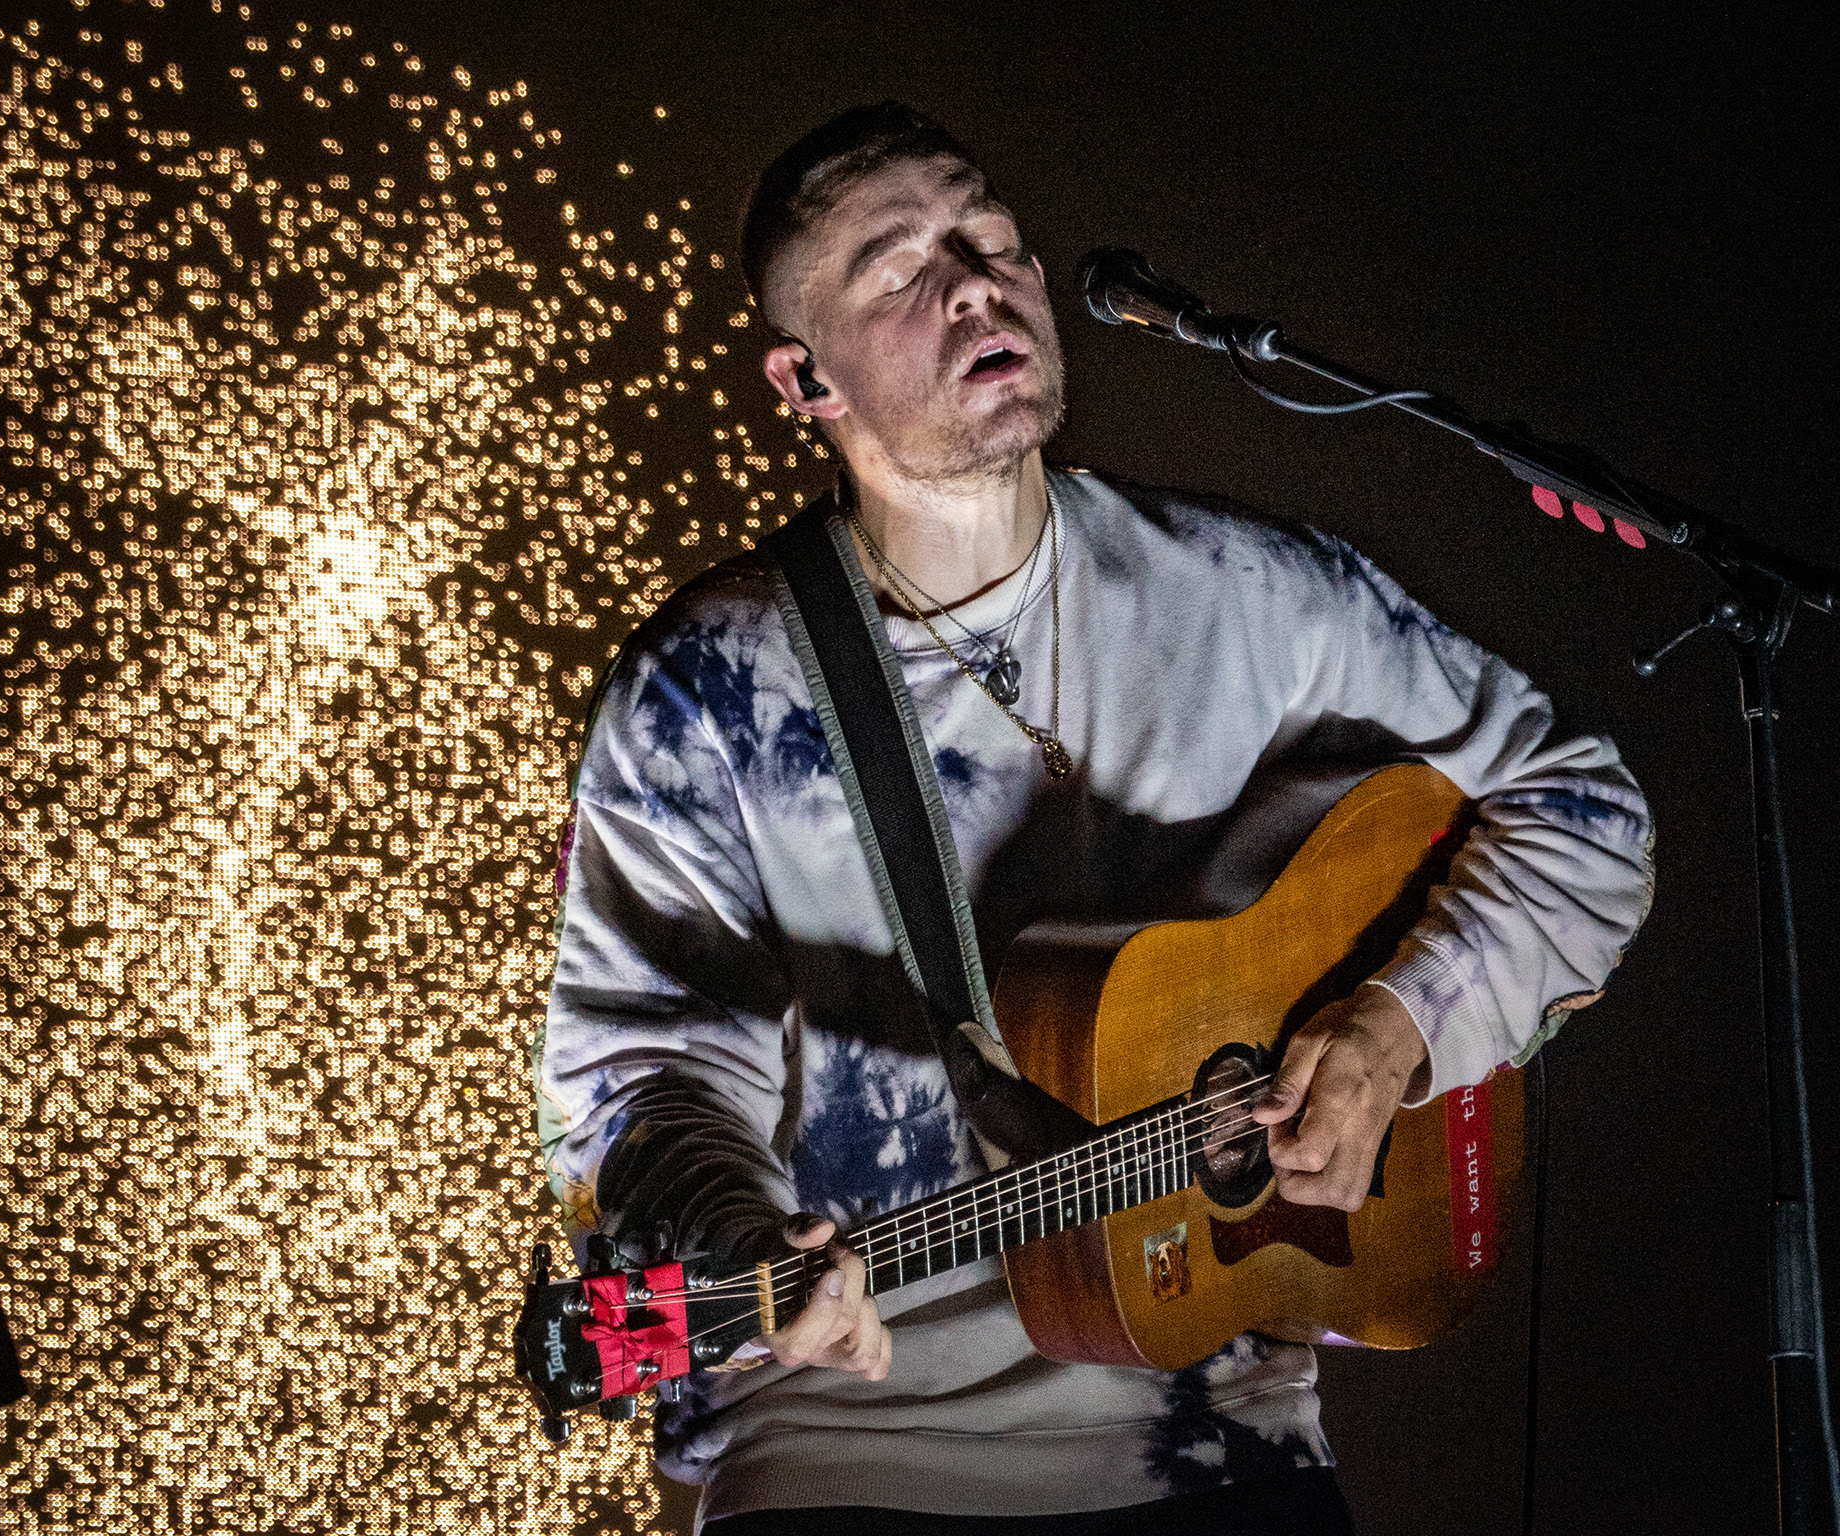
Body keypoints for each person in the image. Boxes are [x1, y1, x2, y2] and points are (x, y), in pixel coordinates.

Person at [535, 103, 1653, 1534]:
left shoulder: (1262, 596)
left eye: (986, 234)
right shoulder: (708, 697)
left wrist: (1395, 1031)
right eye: (895, 269)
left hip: (1217, 1432)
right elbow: (642, 1076)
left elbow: (1588, 811)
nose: (970, 284)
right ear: (803, 382)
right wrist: (747, 1242)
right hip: (847, 1448)